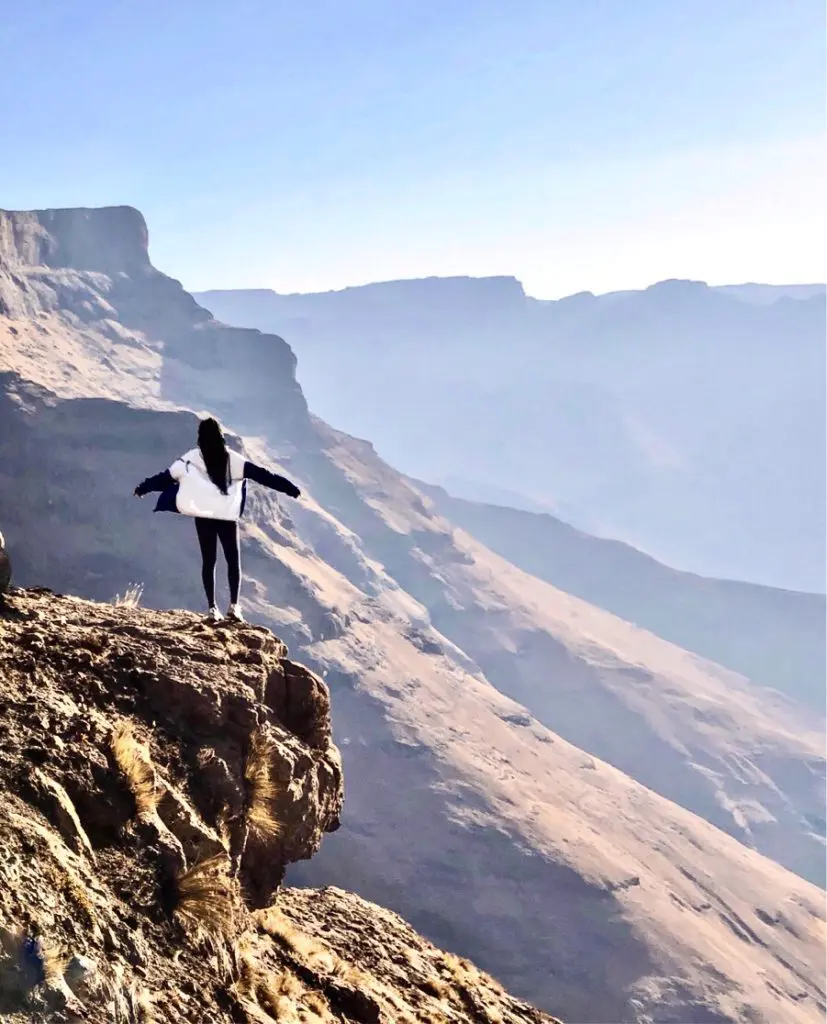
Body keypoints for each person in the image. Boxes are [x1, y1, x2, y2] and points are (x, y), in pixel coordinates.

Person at [134, 417, 301, 622]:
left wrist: (143, 487)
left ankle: (212, 608)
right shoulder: (232, 459)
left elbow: (166, 477)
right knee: (233, 561)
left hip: (203, 515)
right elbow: (263, 475)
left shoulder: (191, 458)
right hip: (226, 516)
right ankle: (234, 607)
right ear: (220, 436)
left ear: (200, 437)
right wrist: (289, 488)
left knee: (209, 561)